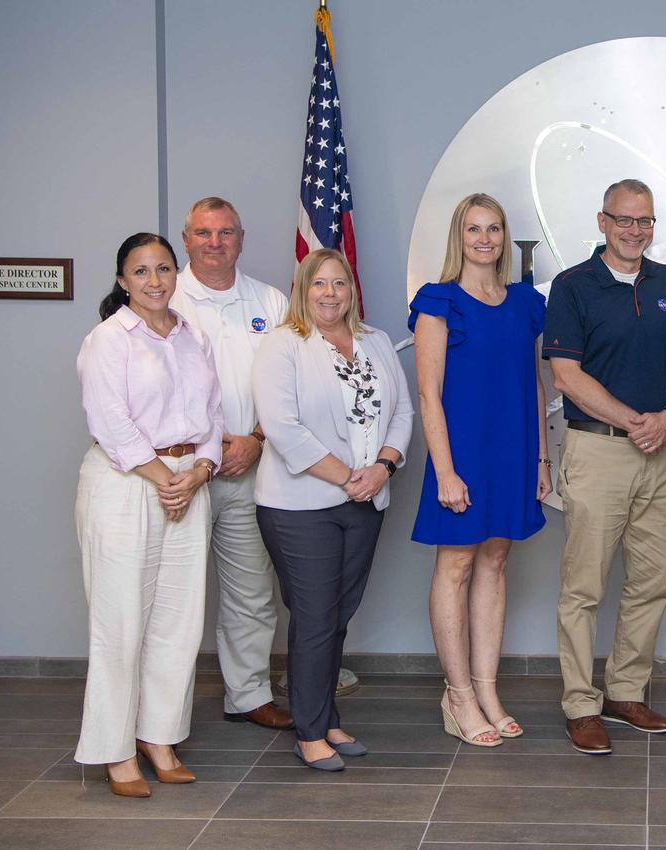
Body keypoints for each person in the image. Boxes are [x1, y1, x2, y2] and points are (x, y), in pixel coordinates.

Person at [543, 178, 666, 755]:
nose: (636, 231)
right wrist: (637, 420)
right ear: (603, 222)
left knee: (650, 581)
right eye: (625, 220)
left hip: (662, 448)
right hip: (599, 450)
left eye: (646, 221)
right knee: (583, 587)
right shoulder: (573, 286)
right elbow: (566, 376)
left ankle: (626, 692)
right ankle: (581, 703)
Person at [252, 248, 413, 771]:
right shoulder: (283, 345)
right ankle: (309, 732)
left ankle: (325, 716)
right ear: (303, 288)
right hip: (301, 506)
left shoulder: (377, 341)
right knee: (316, 616)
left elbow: (403, 412)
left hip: (367, 500)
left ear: (351, 290)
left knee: (338, 616)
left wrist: (383, 468)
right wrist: (347, 476)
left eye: (339, 283)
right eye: (319, 283)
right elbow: (283, 428)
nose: (329, 293)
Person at [75, 233, 223, 797]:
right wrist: (167, 480)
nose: (155, 281)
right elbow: (110, 419)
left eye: (163, 269)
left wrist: (199, 472)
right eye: (142, 271)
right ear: (123, 281)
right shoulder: (108, 341)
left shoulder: (193, 337)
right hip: (127, 486)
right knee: (120, 623)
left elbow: (213, 413)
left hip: (188, 482)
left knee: (178, 621)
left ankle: (158, 737)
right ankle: (115, 751)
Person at [410, 194, 550, 747]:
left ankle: (487, 690)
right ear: (459, 236)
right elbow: (428, 393)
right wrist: (445, 470)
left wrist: (541, 457)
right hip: (461, 453)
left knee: (496, 560)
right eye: (474, 229)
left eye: (494, 229)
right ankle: (458, 695)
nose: (485, 239)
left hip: (513, 450)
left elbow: (534, 386)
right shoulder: (439, 300)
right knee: (457, 565)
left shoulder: (523, 303)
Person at [168, 197, 293, 731]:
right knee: (174, 595)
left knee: (252, 593)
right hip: (176, 477)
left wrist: (258, 439)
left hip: (247, 469)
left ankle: (248, 695)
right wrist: (204, 449)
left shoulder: (271, 301)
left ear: (241, 239)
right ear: (186, 238)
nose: (214, 243)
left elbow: (293, 384)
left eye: (225, 233)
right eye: (203, 233)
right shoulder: (162, 296)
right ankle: (163, 710)